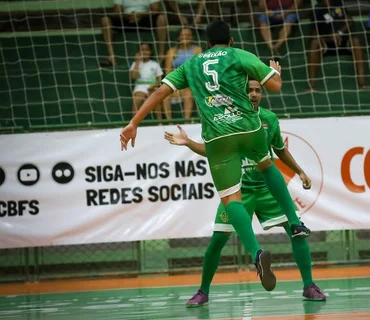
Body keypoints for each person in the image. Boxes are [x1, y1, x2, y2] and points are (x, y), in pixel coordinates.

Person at [119, 20, 311, 293]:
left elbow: (160, 92)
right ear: (230, 40)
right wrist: (274, 72)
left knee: (231, 199)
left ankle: (256, 253)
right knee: (267, 164)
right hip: (249, 128)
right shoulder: (238, 54)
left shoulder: (192, 64)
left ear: (207, 44)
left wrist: (134, 122)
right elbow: (275, 86)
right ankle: (294, 222)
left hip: (217, 136)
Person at [164, 79, 327, 307]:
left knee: (297, 230)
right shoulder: (227, 119)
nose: (253, 94)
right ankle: (203, 291)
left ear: (262, 94)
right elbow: (213, 151)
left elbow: (280, 149)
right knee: (216, 243)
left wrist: (299, 171)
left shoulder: (269, 119)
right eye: (249, 90)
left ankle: (309, 286)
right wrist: (189, 143)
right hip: (238, 192)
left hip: (267, 190)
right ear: (240, 93)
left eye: (257, 90)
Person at [307, 0, 369, 91]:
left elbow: (349, 20)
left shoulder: (338, 4)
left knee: (355, 41)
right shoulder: (317, 9)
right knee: (314, 43)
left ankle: (362, 83)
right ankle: (312, 86)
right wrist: (330, 37)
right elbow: (314, 33)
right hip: (327, 42)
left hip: (343, 40)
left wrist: (339, 33)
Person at [100, 0, 167, 67]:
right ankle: (111, 57)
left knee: (161, 18)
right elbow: (117, 10)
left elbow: (156, 9)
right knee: (105, 20)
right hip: (126, 19)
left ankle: (161, 56)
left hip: (144, 18)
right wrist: (129, 16)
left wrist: (139, 15)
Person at [163, 28, 202, 120]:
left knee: (188, 94)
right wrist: (174, 87)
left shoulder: (197, 49)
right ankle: (169, 122)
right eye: (183, 35)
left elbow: (199, 70)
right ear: (178, 37)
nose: (186, 37)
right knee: (165, 96)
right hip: (177, 82)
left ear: (192, 37)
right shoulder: (171, 52)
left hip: (192, 82)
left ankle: (186, 121)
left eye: (188, 35)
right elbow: (168, 72)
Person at [129, 43, 163, 117]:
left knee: (156, 99)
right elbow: (134, 77)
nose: (144, 52)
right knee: (137, 100)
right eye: (142, 50)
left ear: (150, 52)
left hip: (153, 86)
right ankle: (134, 123)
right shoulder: (135, 64)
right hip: (140, 87)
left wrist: (153, 86)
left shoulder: (155, 64)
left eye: (146, 50)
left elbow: (159, 80)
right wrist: (137, 61)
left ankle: (160, 122)